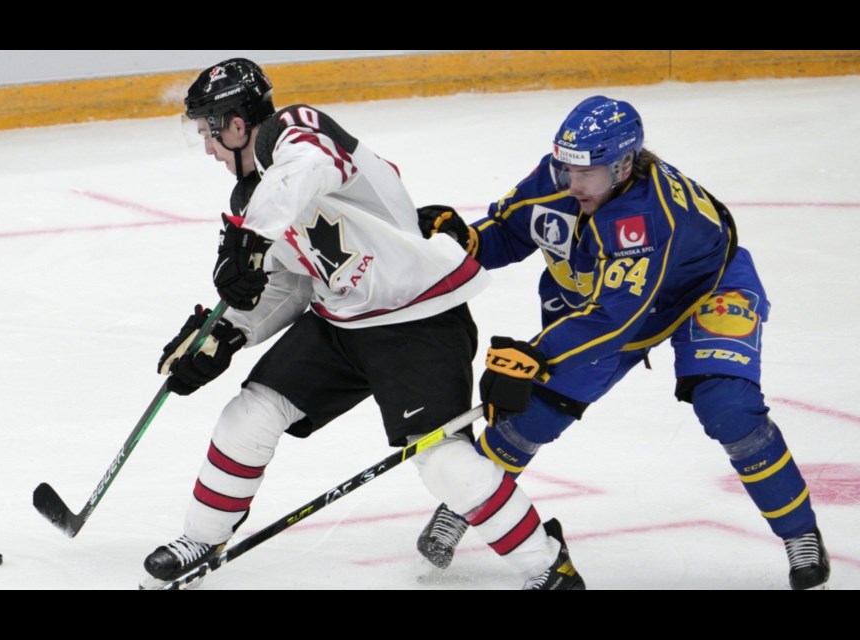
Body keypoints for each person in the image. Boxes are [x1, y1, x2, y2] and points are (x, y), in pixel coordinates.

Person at [142, 58, 587, 590]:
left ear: (237, 124)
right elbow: (292, 284)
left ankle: (547, 566)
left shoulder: (297, 133)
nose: (209, 149)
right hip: (341, 324)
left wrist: (251, 235)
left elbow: (306, 168)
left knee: (444, 463)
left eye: (208, 132)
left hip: (419, 323)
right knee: (249, 414)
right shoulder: (256, 199)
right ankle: (203, 537)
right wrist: (226, 333)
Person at [415, 95, 830, 590]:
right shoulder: (563, 176)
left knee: (729, 406)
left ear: (625, 164)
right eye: (566, 166)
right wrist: (468, 241)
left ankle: (800, 534)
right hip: (608, 295)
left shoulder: (649, 216)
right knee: (536, 407)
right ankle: (467, 501)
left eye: (586, 173)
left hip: (704, 291)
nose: (572, 182)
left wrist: (536, 355)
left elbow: (613, 321)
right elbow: (512, 229)